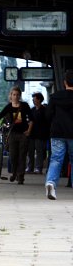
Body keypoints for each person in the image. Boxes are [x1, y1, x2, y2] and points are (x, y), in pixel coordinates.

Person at [0, 86, 33, 184]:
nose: (15, 97)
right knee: (13, 155)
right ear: (11, 96)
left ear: (20, 96)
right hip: (12, 134)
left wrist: (29, 131)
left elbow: (31, 119)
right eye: (14, 95)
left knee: (22, 155)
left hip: (23, 134)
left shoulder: (25, 106)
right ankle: (14, 173)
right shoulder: (8, 107)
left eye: (17, 95)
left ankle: (20, 177)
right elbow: (0, 115)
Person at [44, 70, 73, 200]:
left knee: (56, 159)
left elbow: (48, 115)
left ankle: (51, 183)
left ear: (64, 82)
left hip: (57, 133)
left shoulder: (55, 97)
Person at [26, 92, 49, 174]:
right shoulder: (32, 110)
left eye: (34, 99)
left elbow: (47, 122)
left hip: (40, 135)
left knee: (39, 152)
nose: (33, 100)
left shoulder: (45, 110)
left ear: (39, 100)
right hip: (32, 134)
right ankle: (30, 167)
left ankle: (38, 168)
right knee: (30, 151)